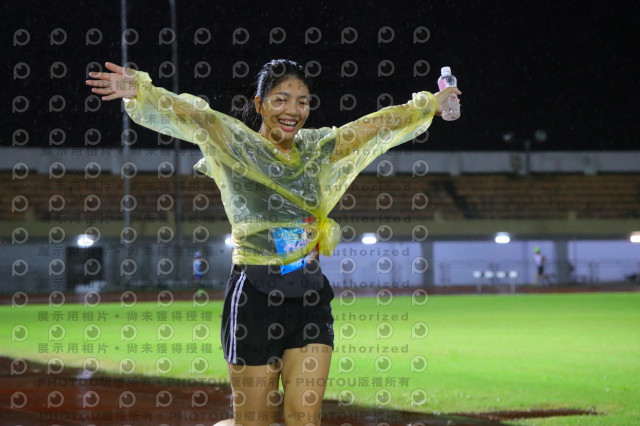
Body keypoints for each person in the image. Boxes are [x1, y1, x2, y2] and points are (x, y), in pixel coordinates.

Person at [86, 60, 461, 426]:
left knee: (305, 419)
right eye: (281, 99)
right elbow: (197, 116)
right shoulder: (238, 145)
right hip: (255, 296)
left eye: (302, 101)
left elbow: (372, 127)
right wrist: (143, 92)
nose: (292, 110)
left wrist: (430, 103)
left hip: (310, 296)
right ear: (260, 104)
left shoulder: (316, 149)